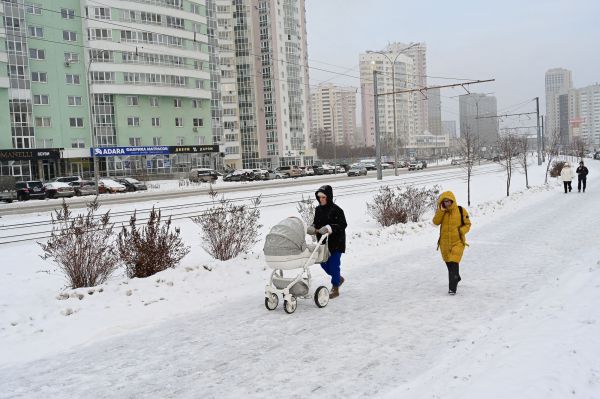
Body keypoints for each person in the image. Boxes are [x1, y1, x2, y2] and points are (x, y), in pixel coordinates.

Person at [307, 185, 347, 299]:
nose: (321, 199)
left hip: (336, 242)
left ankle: (335, 287)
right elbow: (316, 223)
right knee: (323, 264)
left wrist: (330, 228)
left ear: (328, 197)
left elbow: (343, 225)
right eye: (319, 197)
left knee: (334, 265)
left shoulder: (337, 210)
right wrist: (312, 227)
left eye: (323, 197)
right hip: (323, 243)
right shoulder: (318, 209)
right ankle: (338, 278)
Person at [432, 191, 471, 295]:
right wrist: (441, 211)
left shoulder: (460, 210)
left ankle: (452, 288)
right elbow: (435, 222)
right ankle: (456, 277)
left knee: (453, 262)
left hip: (457, 242)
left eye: (448, 201)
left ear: (452, 200)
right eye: (444, 202)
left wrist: (461, 231)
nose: (447, 203)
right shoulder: (442, 211)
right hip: (444, 243)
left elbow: (468, 224)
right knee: (449, 263)